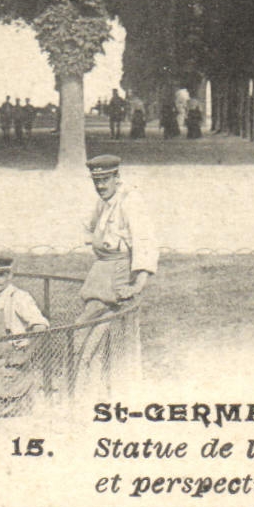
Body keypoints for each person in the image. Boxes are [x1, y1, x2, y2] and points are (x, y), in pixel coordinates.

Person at [73, 155, 156, 399]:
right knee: (88, 335)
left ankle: (108, 391)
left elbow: (145, 241)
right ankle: (92, 390)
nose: (100, 186)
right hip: (100, 277)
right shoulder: (103, 203)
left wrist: (138, 283)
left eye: (105, 179)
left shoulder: (130, 201)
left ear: (117, 178)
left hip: (118, 279)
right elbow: (88, 227)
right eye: (96, 181)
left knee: (95, 334)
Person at [0, 255, 50, 416]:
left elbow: (41, 326)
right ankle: (19, 402)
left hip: (13, 366)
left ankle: (22, 404)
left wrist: (25, 355)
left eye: (0, 275)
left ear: (10, 275)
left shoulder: (19, 297)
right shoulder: (0, 298)